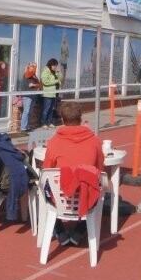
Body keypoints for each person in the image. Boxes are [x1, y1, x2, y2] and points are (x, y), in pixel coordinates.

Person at [43, 101, 104, 246]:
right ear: (81, 119)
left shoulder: (54, 142)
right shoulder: (95, 141)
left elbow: (46, 169)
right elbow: (100, 169)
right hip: (86, 195)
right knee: (97, 184)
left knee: (44, 187)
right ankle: (80, 230)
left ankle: (59, 230)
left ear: (63, 120)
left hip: (60, 196)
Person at [41, 58, 63, 129]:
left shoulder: (55, 72)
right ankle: (43, 123)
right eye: (54, 65)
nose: (55, 67)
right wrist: (56, 81)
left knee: (51, 109)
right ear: (50, 65)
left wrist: (59, 72)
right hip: (48, 94)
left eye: (56, 66)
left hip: (54, 94)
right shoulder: (45, 72)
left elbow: (61, 79)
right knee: (46, 109)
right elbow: (45, 82)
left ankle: (49, 122)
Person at [20, 62, 41, 132]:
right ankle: (23, 128)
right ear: (29, 67)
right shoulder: (27, 73)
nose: (34, 68)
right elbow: (29, 74)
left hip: (33, 96)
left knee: (30, 112)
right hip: (27, 96)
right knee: (26, 111)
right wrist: (34, 67)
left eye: (35, 67)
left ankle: (27, 126)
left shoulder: (34, 76)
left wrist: (34, 85)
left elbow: (40, 85)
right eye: (32, 66)